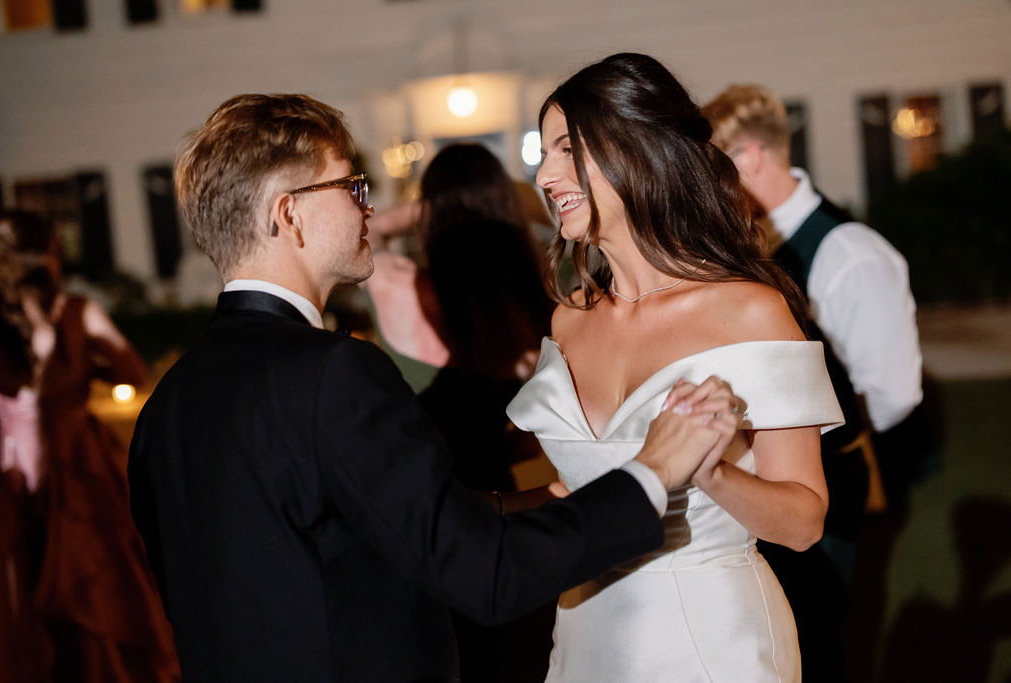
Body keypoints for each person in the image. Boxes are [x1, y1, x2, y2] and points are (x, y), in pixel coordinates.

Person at [126, 93, 745, 683]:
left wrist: (547, 497)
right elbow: (486, 575)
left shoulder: (166, 407)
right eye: (351, 185)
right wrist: (652, 470)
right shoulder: (329, 373)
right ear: (288, 214)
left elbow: (335, 533)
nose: (367, 207)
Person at [506, 53, 844, 682]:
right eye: (542, 153)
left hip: (712, 641)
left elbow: (803, 523)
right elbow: (579, 492)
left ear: (638, 151)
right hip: (583, 632)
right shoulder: (569, 320)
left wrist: (710, 472)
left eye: (566, 149)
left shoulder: (748, 311)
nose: (545, 174)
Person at [702, 84, 927, 681]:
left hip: (832, 483)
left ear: (750, 157)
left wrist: (820, 440)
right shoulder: (744, 248)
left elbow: (894, 391)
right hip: (764, 490)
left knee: (822, 642)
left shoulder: (849, 251)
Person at [364, 142, 557, 682]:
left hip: (417, 502)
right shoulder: (530, 302)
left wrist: (440, 204)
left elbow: (369, 233)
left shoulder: (400, 282)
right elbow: (535, 431)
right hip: (500, 506)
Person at [0, 211, 180, 682]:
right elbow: (132, 374)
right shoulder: (75, 312)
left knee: (42, 586)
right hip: (76, 464)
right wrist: (88, 350)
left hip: (17, 469)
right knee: (102, 579)